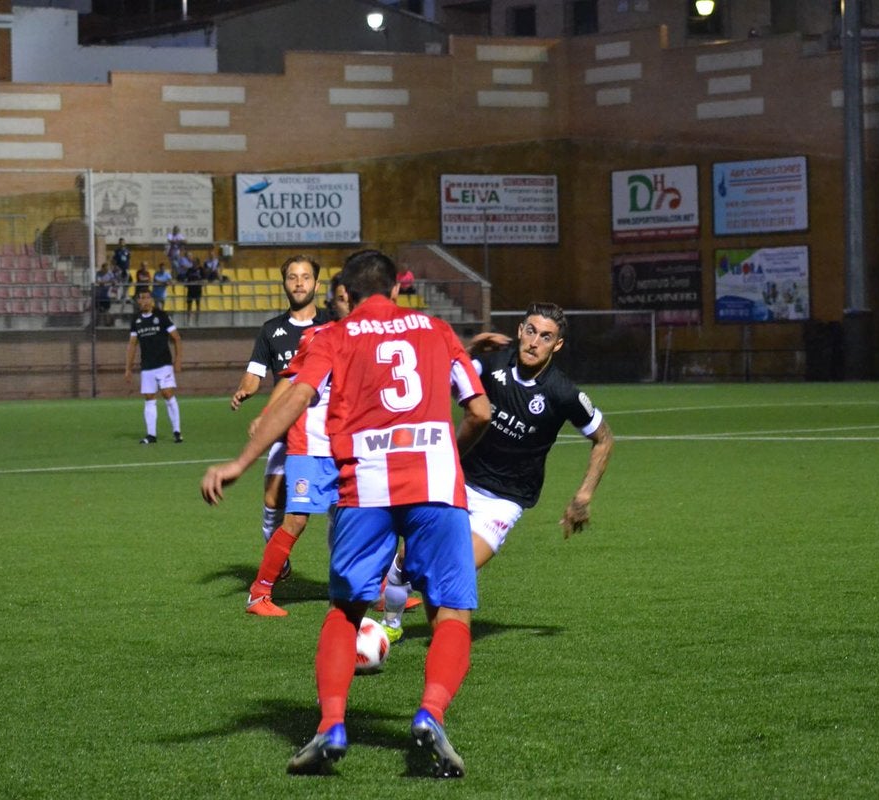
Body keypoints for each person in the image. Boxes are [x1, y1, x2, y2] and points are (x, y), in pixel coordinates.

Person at [203, 249, 491, 778]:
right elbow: (479, 411)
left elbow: (294, 397)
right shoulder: (436, 329)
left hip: (366, 486)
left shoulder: (333, 335)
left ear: (346, 295)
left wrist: (243, 461)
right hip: (435, 482)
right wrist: (448, 454)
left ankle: (331, 725)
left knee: (345, 611)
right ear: (397, 288)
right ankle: (430, 714)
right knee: (450, 612)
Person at [381, 303, 614, 639]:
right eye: (531, 331)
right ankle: (389, 626)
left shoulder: (563, 393)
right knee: (406, 560)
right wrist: (470, 349)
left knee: (451, 569)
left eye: (546, 337)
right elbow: (435, 380)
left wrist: (584, 495)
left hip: (504, 501)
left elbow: (604, 439)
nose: (535, 342)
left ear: (557, 345)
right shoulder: (490, 365)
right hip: (458, 483)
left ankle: (443, 646)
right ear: (520, 330)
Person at [243, 275, 350, 617]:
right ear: (337, 302)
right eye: (346, 298)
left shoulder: (368, 341)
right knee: (296, 520)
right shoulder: (318, 335)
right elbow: (291, 379)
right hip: (308, 445)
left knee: (358, 518)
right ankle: (259, 594)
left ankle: (375, 589)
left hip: (342, 448)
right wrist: (267, 415)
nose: (352, 304)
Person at [229, 255, 328, 576]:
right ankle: (277, 557)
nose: (299, 282)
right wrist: (245, 390)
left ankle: (370, 578)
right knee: (273, 497)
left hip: (328, 427)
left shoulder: (331, 325)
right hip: (287, 427)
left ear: (317, 283)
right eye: (293, 277)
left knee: (347, 507)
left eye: (306, 277)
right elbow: (255, 374)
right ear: (284, 284)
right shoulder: (271, 330)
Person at [124, 287, 183, 444]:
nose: (144, 301)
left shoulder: (161, 316)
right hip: (147, 366)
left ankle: (177, 431)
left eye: (147, 297)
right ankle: (151, 435)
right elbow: (132, 345)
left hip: (164, 363)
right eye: (141, 298)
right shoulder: (136, 320)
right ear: (138, 301)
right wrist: (128, 368)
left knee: (167, 393)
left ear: (151, 300)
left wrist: (178, 360)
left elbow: (176, 338)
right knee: (149, 398)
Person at [183, 259, 204, 324]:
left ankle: (197, 321)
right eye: (193, 263)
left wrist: (197, 282)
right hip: (190, 290)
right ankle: (188, 321)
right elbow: (186, 278)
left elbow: (205, 280)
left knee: (198, 305)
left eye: (195, 263)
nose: (193, 264)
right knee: (189, 306)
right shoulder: (190, 270)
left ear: (198, 263)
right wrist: (186, 283)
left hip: (198, 290)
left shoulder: (201, 270)